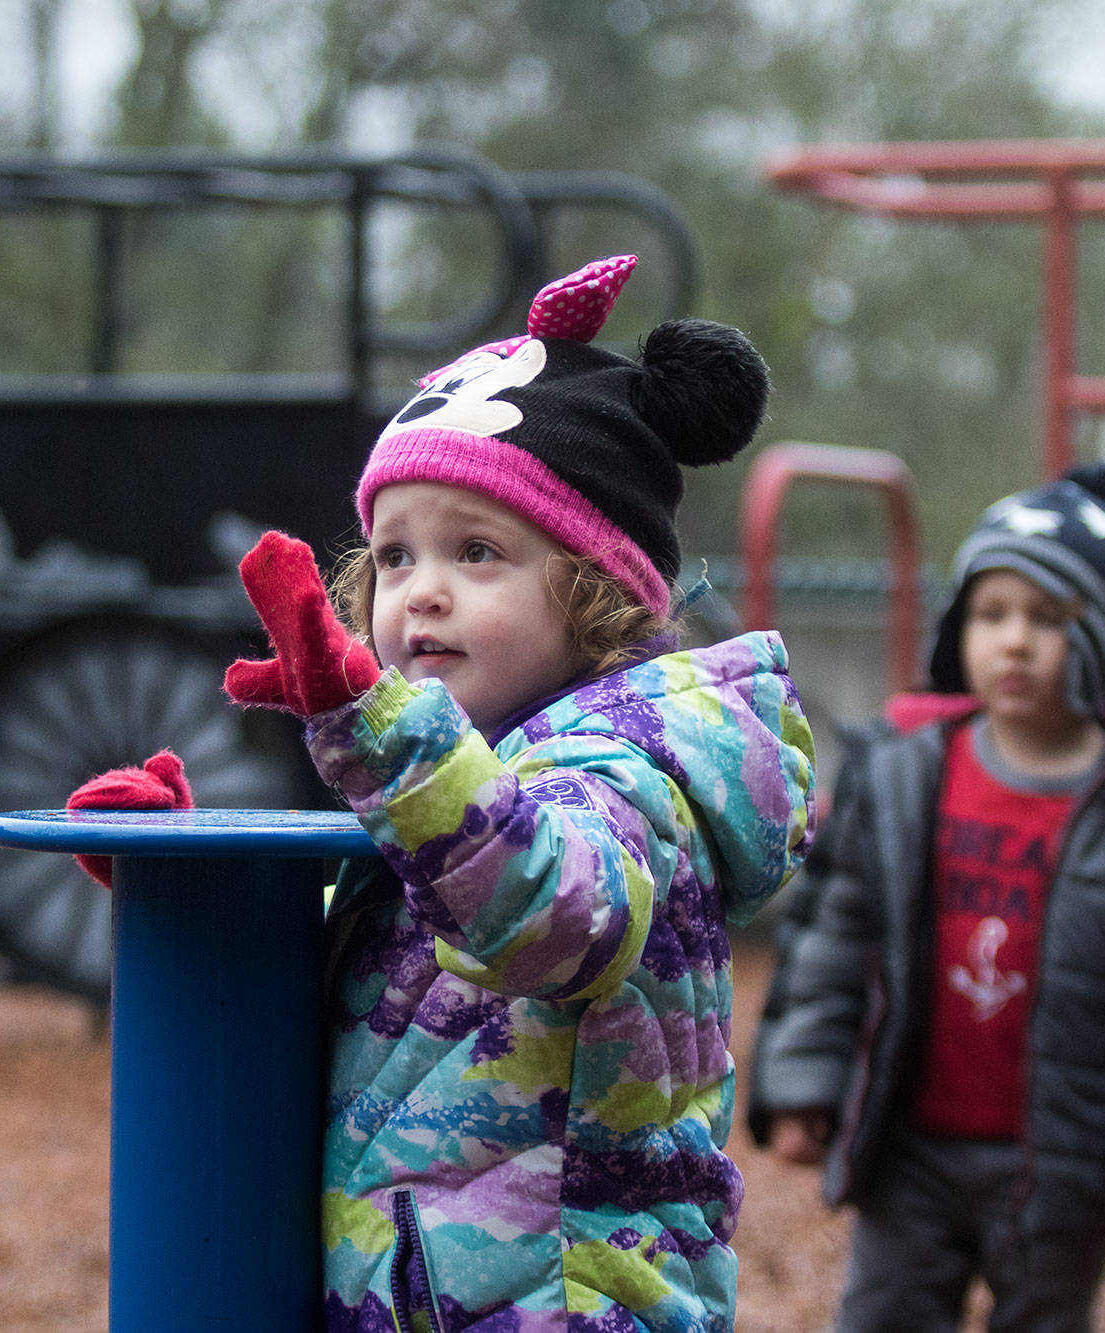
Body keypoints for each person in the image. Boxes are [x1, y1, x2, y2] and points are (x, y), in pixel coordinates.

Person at [70, 255, 816, 1331]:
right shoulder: (453, 790)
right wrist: (191, 879)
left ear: (594, 588)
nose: (420, 588)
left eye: (476, 551)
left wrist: (384, 746)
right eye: (394, 554)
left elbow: (553, 921)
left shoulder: (631, 775)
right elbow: (375, 993)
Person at [747, 463, 1105, 1332]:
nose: (1014, 641)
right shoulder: (903, 770)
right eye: (991, 614)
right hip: (910, 1144)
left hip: (1067, 1159)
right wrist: (803, 1084)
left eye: (1049, 619)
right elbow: (835, 933)